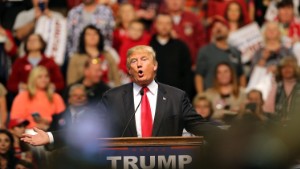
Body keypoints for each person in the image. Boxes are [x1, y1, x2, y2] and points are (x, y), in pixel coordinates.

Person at [21, 45, 220, 147]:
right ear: (129, 70)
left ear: (155, 65)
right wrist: (49, 137)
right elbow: (88, 130)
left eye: (144, 59)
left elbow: (199, 125)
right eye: (134, 61)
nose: (139, 64)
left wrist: (231, 138)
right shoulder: (113, 97)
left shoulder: (177, 97)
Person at [195, 17, 246, 93]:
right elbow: (199, 76)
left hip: (233, 97)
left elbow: (241, 75)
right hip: (211, 97)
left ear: (228, 30)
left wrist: (242, 94)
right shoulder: (205, 51)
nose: (218, 29)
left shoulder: (235, 52)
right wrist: (201, 95)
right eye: (215, 27)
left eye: (221, 26)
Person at [149, 13, 193, 97]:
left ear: (172, 25)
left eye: (167, 23)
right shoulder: (148, 46)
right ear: (155, 25)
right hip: (151, 95)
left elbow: (187, 74)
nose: (164, 26)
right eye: (161, 23)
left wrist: (185, 96)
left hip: (175, 95)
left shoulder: (181, 46)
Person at [10, 66, 65, 130]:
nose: (44, 79)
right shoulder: (22, 97)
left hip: (52, 131)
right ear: (33, 79)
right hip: (28, 132)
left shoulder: (56, 97)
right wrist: (34, 126)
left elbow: (63, 120)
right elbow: (16, 120)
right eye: (40, 77)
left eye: (46, 76)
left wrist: (47, 121)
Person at [164, 0, 206, 64]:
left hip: (190, 63)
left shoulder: (193, 18)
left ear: (184, 1)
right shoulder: (161, 19)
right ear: (166, 1)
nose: (174, 2)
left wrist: (198, 62)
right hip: (166, 63)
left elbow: (201, 42)